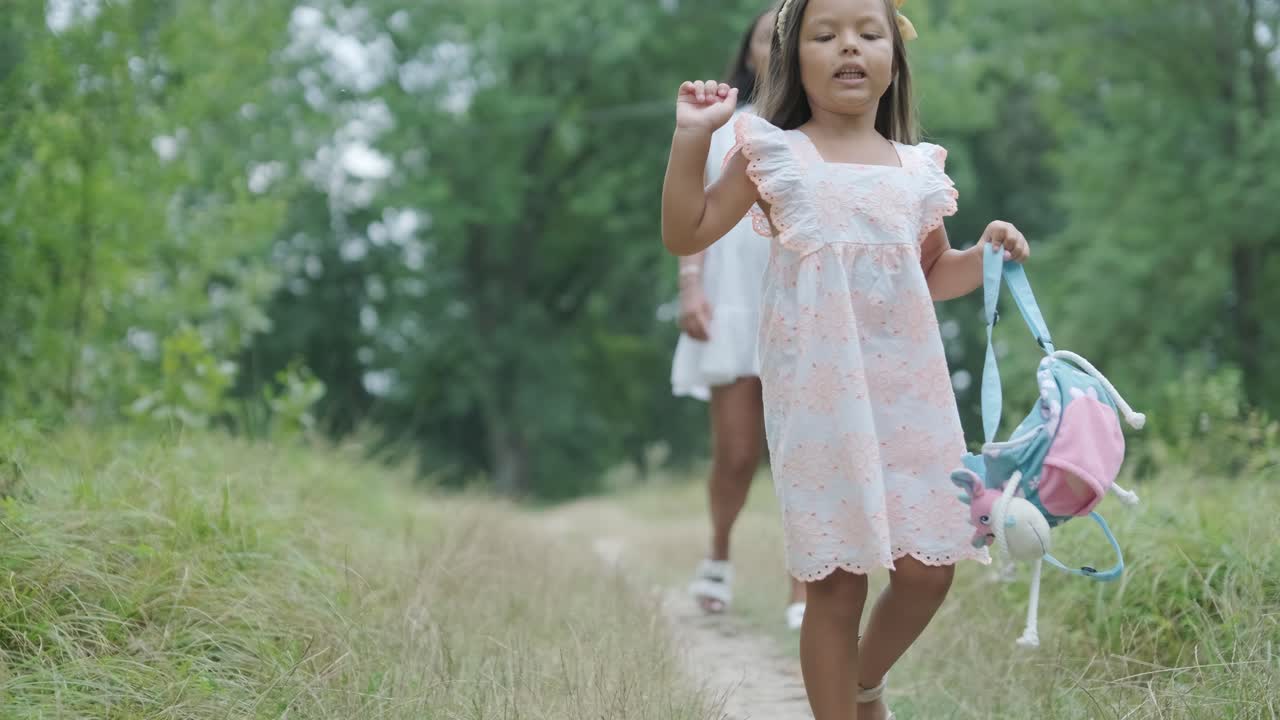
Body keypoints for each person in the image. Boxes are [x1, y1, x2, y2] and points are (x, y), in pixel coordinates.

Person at [660, 0, 1032, 717]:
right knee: (837, 582)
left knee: (929, 569)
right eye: (825, 36)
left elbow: (932, 271)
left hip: (912, 395)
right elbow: (687, 232)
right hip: (819, 400)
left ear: (895, 60)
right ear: (795, 58)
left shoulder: (916, 168)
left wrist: (984, 255)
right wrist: (689, 141)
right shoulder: (773, 152)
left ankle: (862, 683)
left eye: (869, 34)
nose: (849, 49)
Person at [674, 5, 808, 632]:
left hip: (806, 310)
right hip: (734, 301)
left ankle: (804, 587)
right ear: (750, 53)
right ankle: (718, 557)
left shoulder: (821, 131)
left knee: (803, 453)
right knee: (735, 451)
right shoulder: (728, 127)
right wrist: (691, 286)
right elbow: (696, 214)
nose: (777, 49)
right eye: (766, 39)